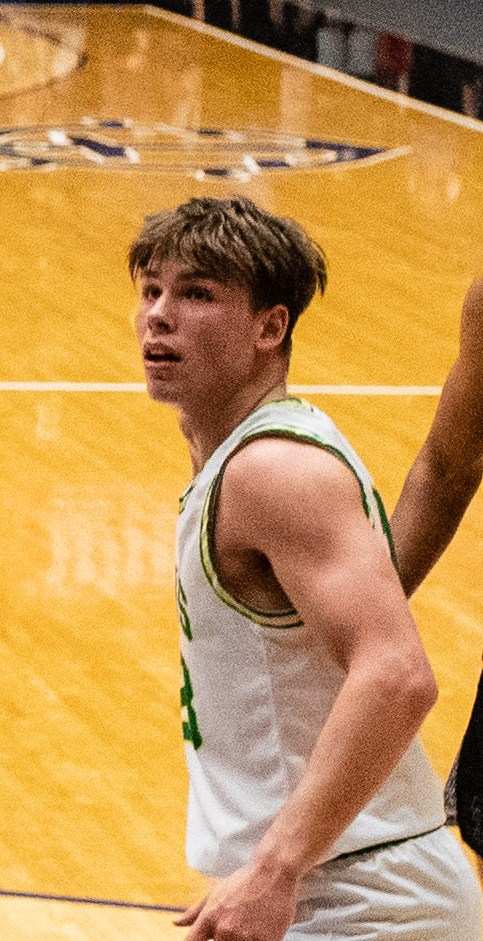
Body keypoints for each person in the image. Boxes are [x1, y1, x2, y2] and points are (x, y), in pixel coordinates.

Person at [134, 198, 475, 941]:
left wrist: (275, 868)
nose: (160, 314)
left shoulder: (275, 471)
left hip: (366, 901)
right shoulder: (246, 459)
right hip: (338, 885)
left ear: (270, 326)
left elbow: (397, 674)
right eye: (151, 288)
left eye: (198, 293)